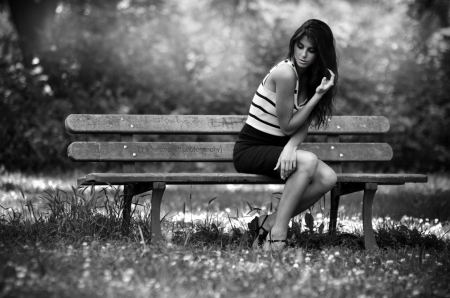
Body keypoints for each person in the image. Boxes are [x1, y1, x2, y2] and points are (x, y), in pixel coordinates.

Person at [233, 19, 339, 251]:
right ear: (293, 44)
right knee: (308, 161)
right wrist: (317, 97)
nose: (303, 54)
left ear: (321, 54)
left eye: (311, 50)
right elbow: (288, 125)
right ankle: (278, 234)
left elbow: (302, 125)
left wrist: (291, 146)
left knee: (328, 178)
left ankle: (268, 222)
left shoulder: (311, 78)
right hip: (252, 149)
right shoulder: (285, 73)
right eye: (300, 46)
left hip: (279, 149)